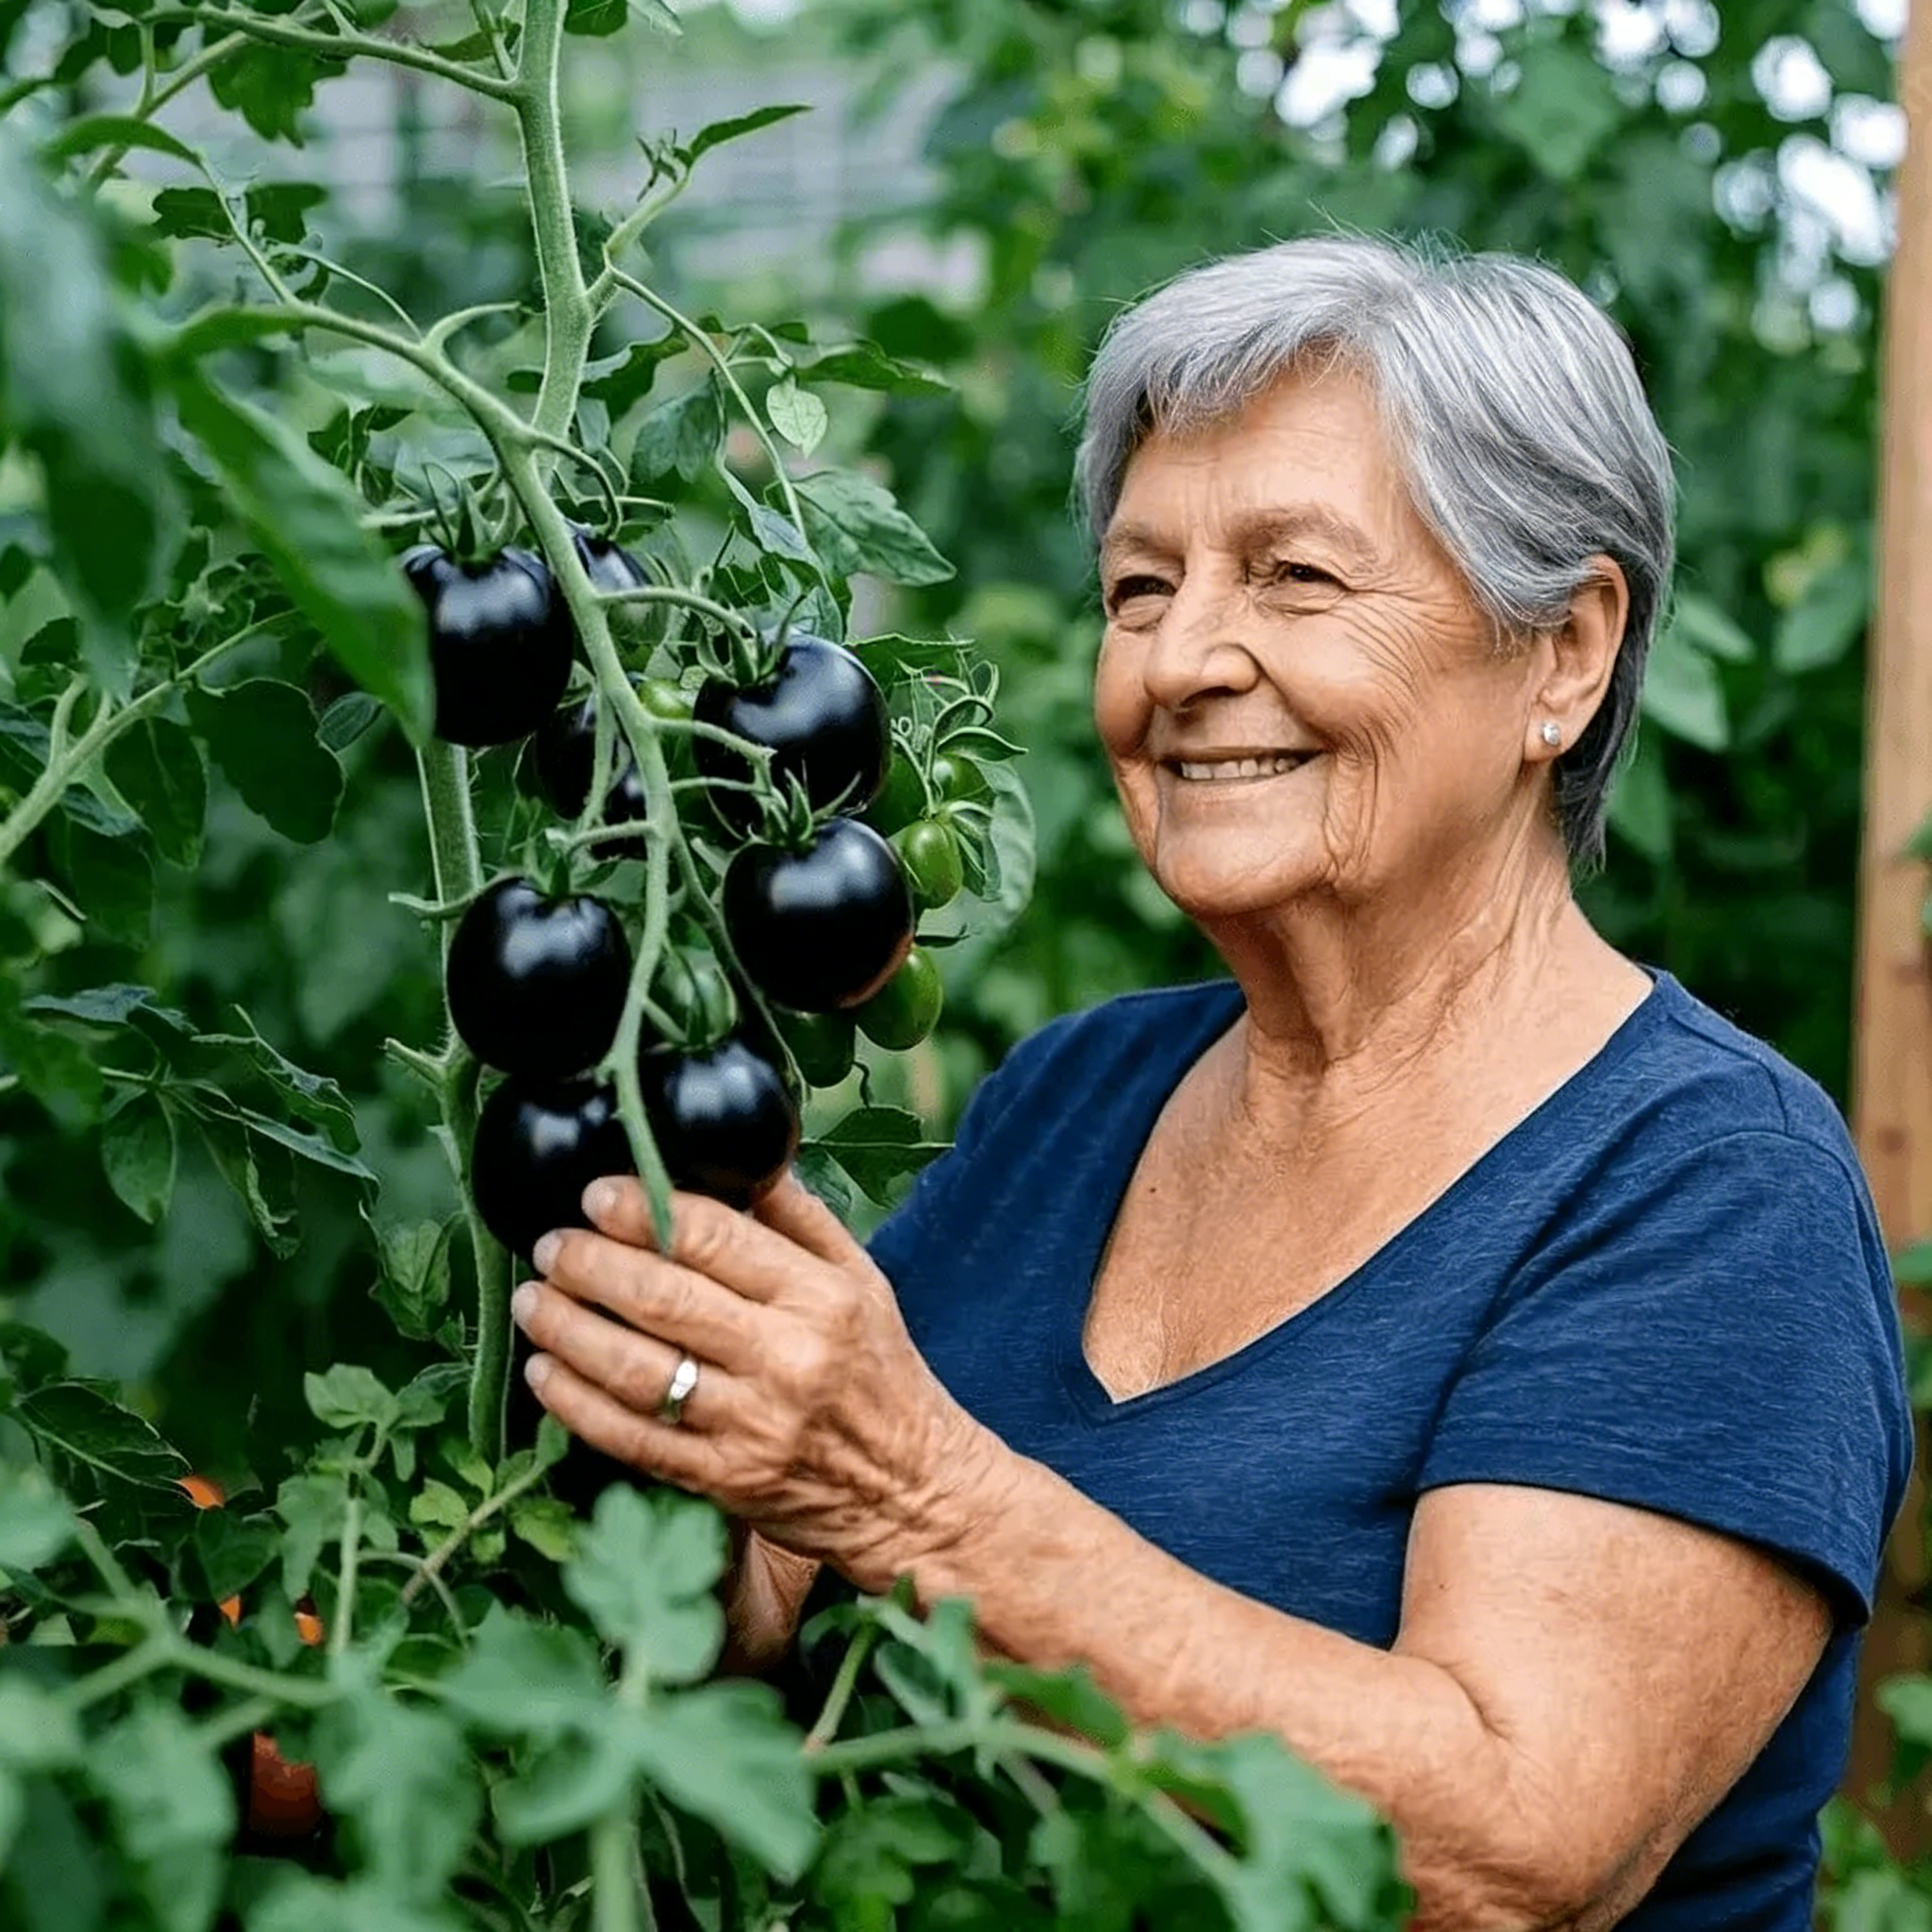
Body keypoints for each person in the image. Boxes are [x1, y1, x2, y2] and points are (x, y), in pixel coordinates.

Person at [508, 234, 1913, 1930]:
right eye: (1140, 587)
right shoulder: (1076, 1098)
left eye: (1297, 578)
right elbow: (776, 1583)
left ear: (1565, 653)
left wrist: (916, 1496)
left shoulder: (1702, 1181)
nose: (1181, 664)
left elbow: (1515, 1850)